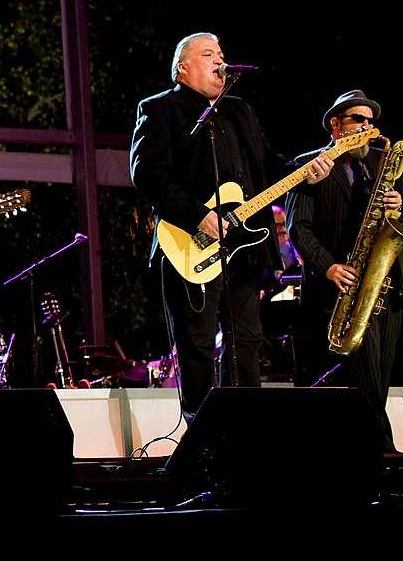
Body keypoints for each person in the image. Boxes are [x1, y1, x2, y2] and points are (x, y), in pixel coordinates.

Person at [129, 32, 333, 423]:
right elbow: (146, 173)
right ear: (182, 68)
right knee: (198, 344)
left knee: (246, 340)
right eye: (209, 55)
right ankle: (202, 442)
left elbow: (268, 164)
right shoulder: (160, 108)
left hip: (245, 245)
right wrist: (196, 215)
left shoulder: (240, 111)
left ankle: (243, 432)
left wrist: (304, 172)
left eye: (222, 54)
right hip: (189, 245)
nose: (220, 61)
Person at [284, 89, 403, 450]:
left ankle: (369, 457)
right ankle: (386, 457)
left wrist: (400, 204)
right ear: (336, 125)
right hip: (346, 285)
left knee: (378, 383)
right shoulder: (311, 163)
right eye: (359, 120)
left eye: (370, 121)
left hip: (388, 286)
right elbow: (297, 228)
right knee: (367, 382)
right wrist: (329, 267)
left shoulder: (384, 161)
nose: (367, 128)